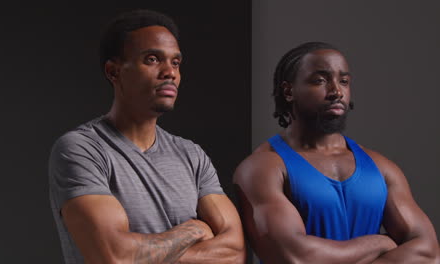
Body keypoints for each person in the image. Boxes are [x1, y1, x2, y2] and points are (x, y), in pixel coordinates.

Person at [49, 9, 245, 264]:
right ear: (113, 71)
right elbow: (115, 257)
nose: (170, 72)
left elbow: (235, 253)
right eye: (152, 59)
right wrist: (193, 230)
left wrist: (149, 254)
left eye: (175, 63)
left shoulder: (191, 155)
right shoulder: (81, 149)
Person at [233, 42, 439, 264]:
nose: (336, 91)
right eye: (320, 81)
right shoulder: (262, 168)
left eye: (344, 81)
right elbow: (295, 257)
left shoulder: (381, 167)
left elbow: (428, 253)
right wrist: (380, 243)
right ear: (288, 91)